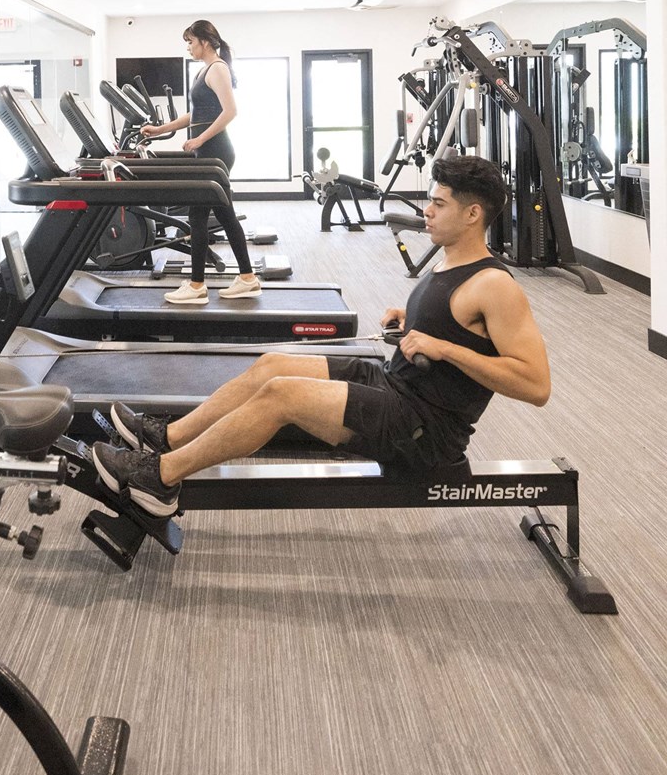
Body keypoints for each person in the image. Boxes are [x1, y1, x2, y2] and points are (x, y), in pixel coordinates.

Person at [92, 155, 551, 516]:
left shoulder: (495, 286)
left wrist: (443, 345)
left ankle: (162, 479)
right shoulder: (451, 257)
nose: (426, 211)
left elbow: (535, 386)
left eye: (439, 204)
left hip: (423, 430)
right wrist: (416, 327)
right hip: (397, 384)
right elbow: (456, 331)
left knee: (281, 395)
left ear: (473, 214)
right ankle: (167, 437)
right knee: (274, 364)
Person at [140, 19, 261, 305]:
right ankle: (246, 278)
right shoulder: (205, 71)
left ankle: (197, 285)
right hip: (210, 150)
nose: (189, 47)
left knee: (197, 215)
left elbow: (231, 111)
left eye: (191, 42)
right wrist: (162, 129)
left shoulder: (217, 68)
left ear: (205, 41)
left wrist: (200, 139)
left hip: (215, 151)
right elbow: (195, 115)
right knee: (223, 213)